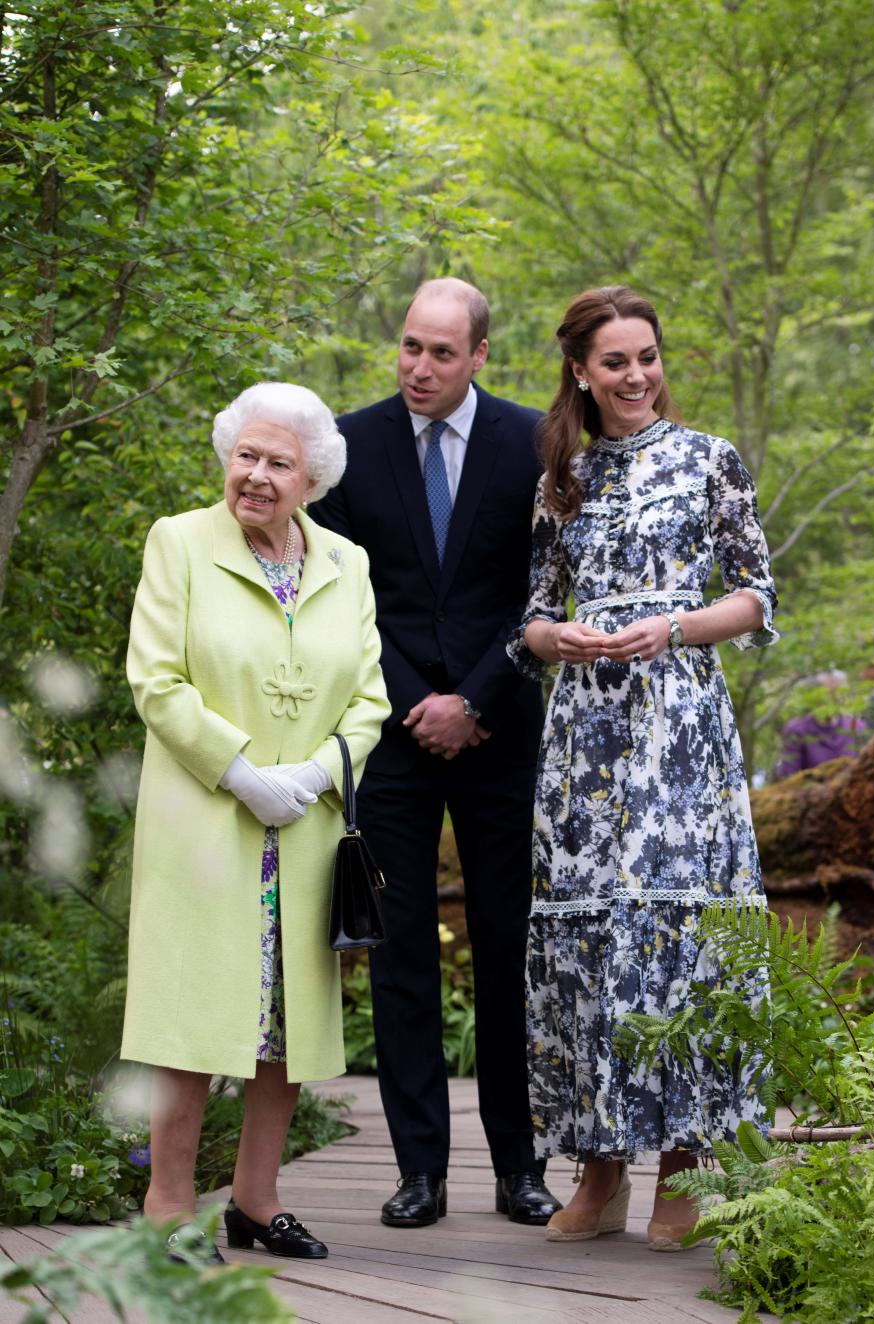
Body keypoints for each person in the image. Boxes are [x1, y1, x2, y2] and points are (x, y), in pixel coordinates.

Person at [507, 287, 777, 1250]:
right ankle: (601, 1169)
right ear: (580, 369)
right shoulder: (561, 479)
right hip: (586, 741)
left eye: (648, 357)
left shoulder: (711, 461)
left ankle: (684, 1166)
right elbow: (531, 616)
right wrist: (558, 638)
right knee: (589, 940)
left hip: (678, 726)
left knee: (680, 930)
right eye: (615, 362)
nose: (636, 376)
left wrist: (672, 628)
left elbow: (754, 596)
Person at [309, 277, 560, 1228]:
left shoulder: (536, 444)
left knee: (509, 950)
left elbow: (546, 588)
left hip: (502, 731)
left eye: (442, 353)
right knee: (401, 955)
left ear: (481, 356)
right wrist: (423, 704)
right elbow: (339, 599)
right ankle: (420, 1173)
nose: (419, 368)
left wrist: (480, 698)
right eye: (411, 347)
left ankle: (518, 1169)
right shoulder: (349, 444)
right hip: (395, 737)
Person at [122, 382, 389, 1262]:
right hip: (208, 821)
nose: (258, 476)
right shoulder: (181, 543)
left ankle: (254, 1197)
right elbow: (156, 681)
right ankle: (166, 1205)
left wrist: (315, 774)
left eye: (279, 462)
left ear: (312, 477)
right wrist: (240, 772)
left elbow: (370, 698)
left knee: (284, 1023)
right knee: (191, 1018)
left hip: (304, 830)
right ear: (225, 457)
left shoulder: (346, 562)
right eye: (246, 455)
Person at [776, 670, 866, 777]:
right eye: (828, 694)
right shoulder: (797, 730)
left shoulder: (856, 727)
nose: (834, 699)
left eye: (838, 693)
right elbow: (788, 777)